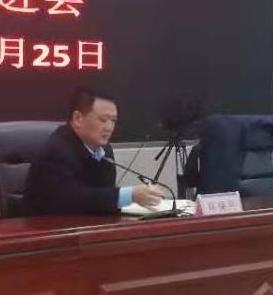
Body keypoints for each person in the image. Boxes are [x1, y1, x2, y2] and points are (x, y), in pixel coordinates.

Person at [23, 87, 167, 215]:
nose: (109, 127)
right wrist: (129, 195)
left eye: (113, 121)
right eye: (103, 120)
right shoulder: (56, 150)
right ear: (78, 118)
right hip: (46, 229)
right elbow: (71, 198)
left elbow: (101, 196)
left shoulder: (104, 150)